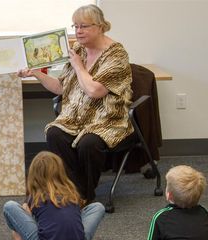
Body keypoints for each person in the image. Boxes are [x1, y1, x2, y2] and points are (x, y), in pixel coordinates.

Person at [17, 4, 133, 210]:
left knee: (88, 143)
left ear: (100, 27)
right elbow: (61, 87)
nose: (78, 31)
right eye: (75, 26)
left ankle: (84, 196)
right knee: (54, 133)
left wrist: (79, 65)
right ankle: (74, 191)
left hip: (106, 119)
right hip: (74, 117)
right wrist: (36, 73)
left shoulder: (116, 54)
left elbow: (94, 91)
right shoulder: (78, 50)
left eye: (84, 26)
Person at [3, 151, 105, 240]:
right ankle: (72, 235)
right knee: (98, 207)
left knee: (10, 206)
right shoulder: (72, 194)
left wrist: (22, 218)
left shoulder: (35, 197)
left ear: (33, 175)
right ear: (61, 172)